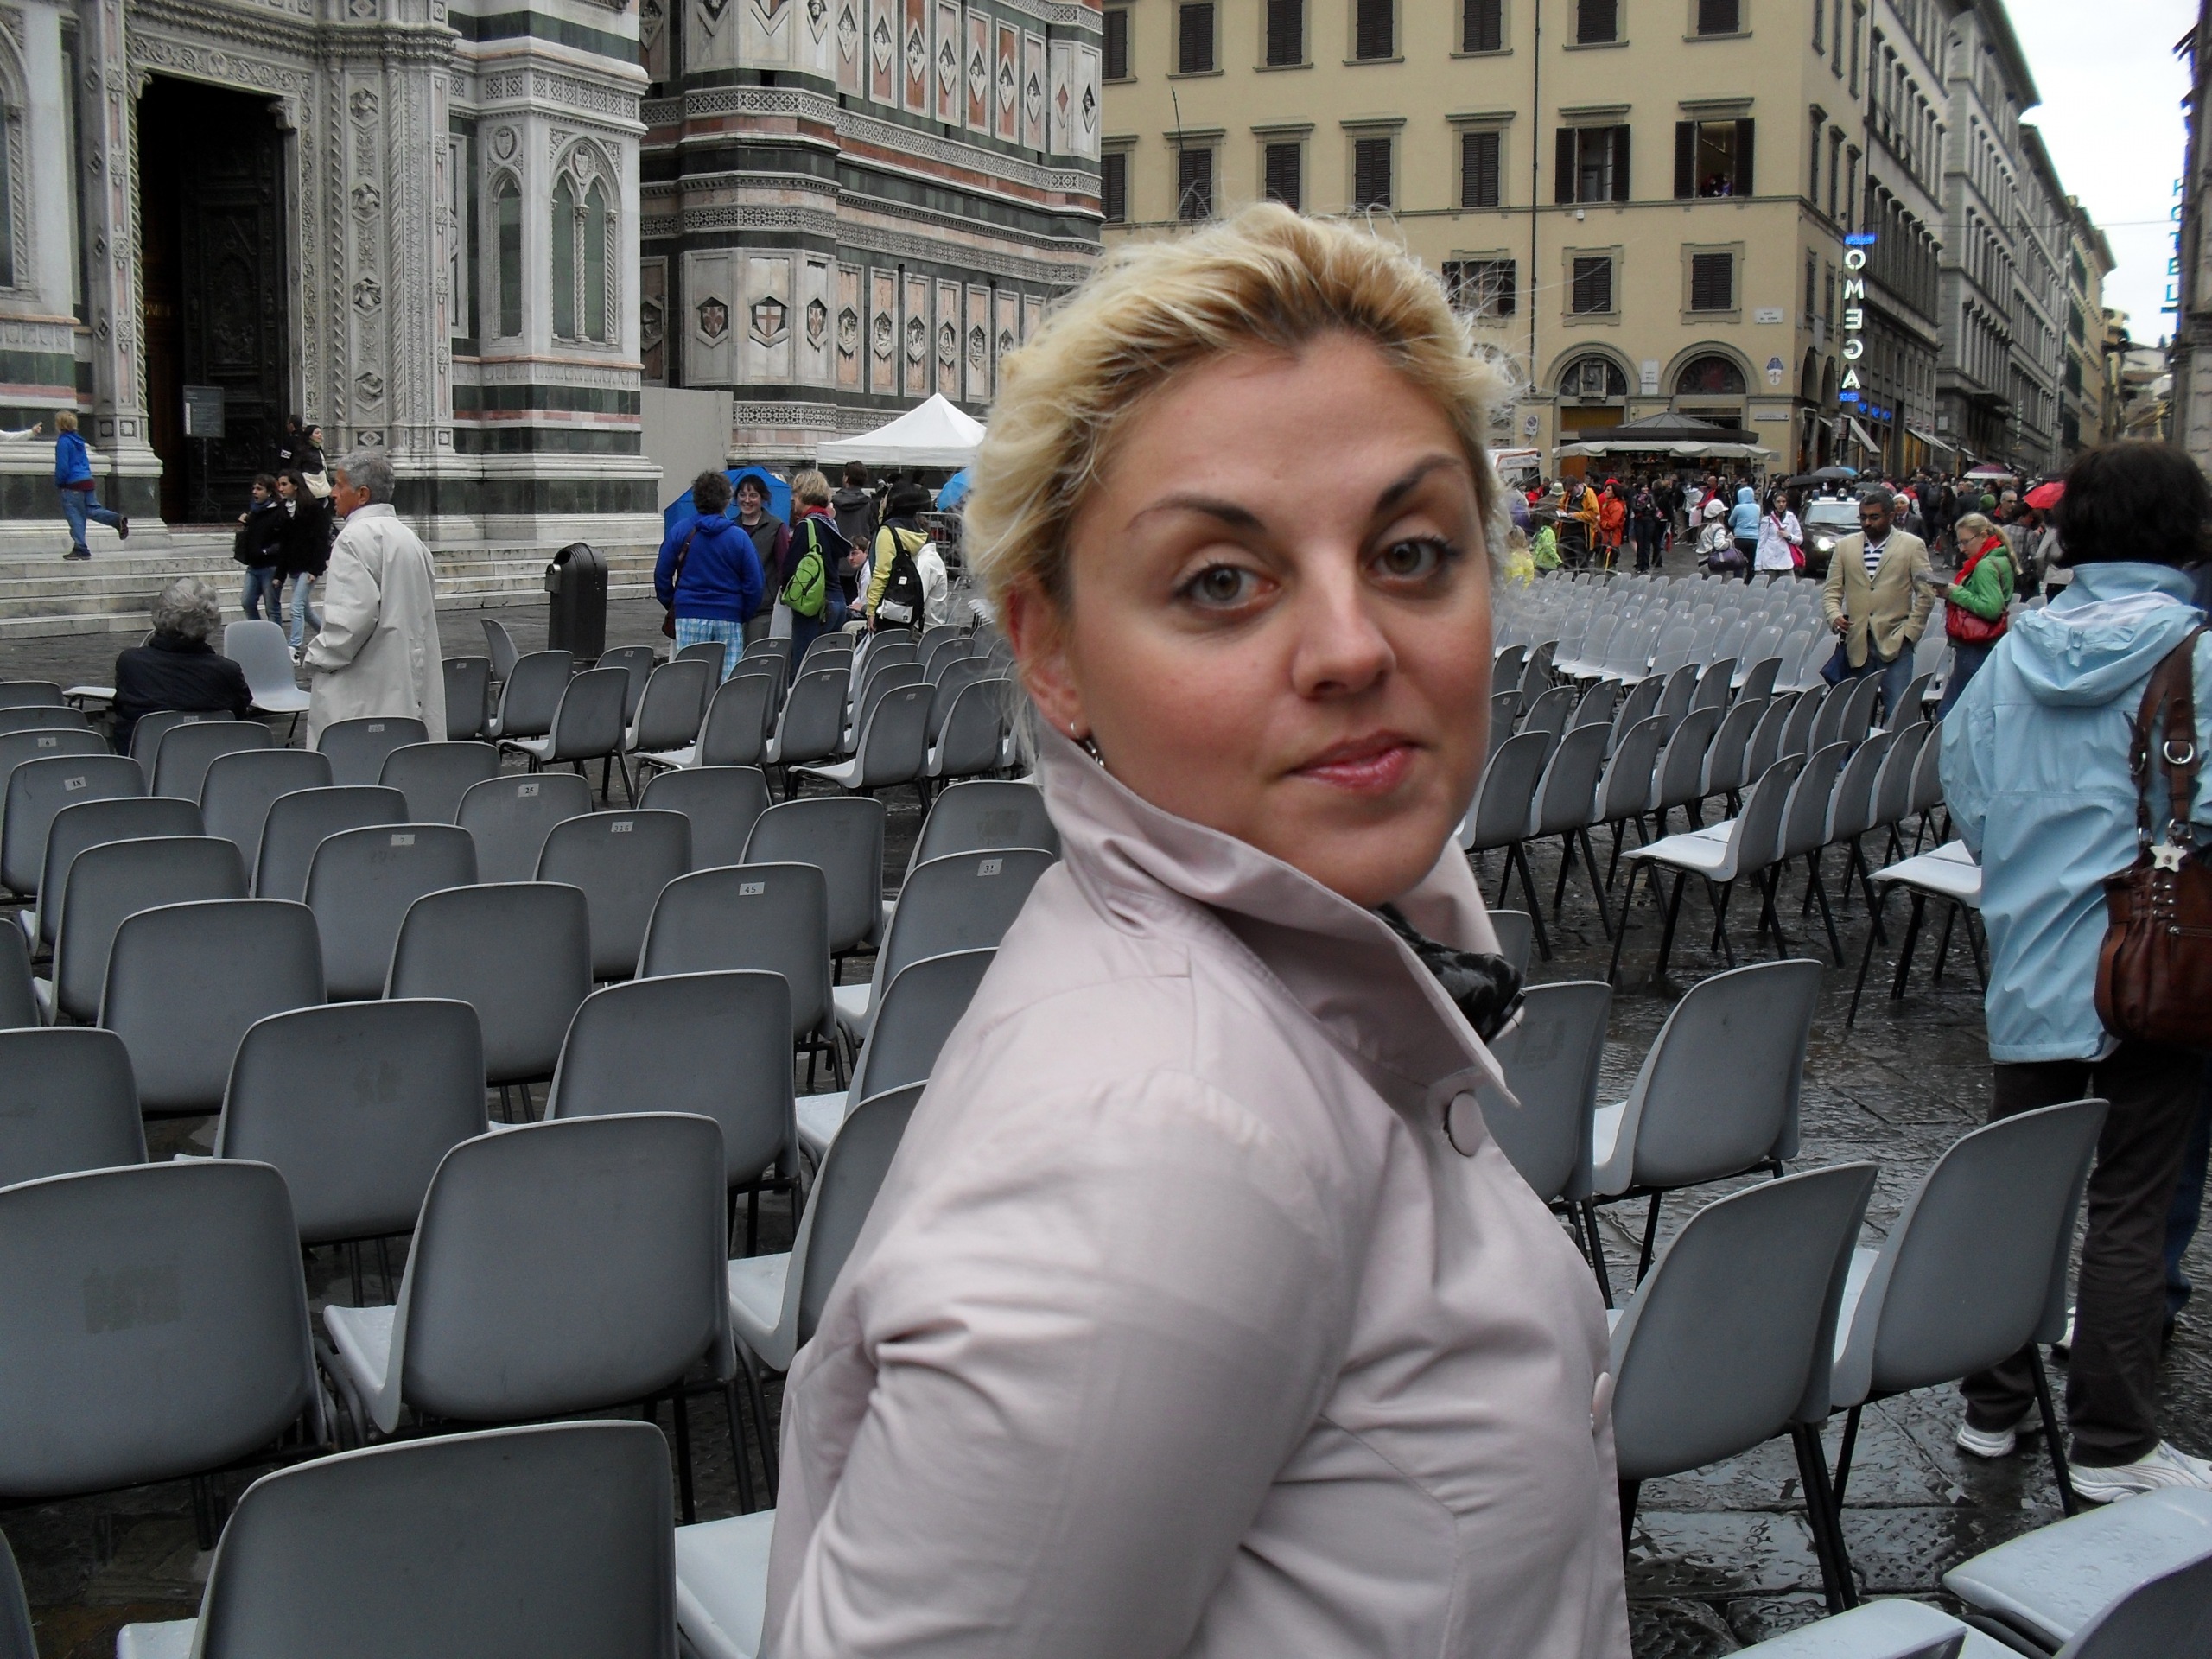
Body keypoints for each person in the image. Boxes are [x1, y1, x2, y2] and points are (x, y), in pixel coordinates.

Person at [763, 203, 1629, 1657]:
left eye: (1414, 551)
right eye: (1220, 582)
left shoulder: (1321, 995)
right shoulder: (1162, 1151)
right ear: (1052, 654)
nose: (1353, 646)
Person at [1941, 441, 2212, 1502]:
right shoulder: (2195, 654)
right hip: (2154, 974)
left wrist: (2035, 870)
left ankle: (1991, 1409)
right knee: (2131, 1204)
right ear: (2187, 537)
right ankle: (2111, 1443)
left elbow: (1967, 793)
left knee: (2020, 1196)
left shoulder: (2017, 650)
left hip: (2030, 964)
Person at [302, 450, 446, 745]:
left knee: (358, 759)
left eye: (339, 484)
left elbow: (349, 623)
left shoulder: (353, 538)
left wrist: (317, 656)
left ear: (362, 494)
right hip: (405, 674)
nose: (332, 493)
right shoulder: (410, 539)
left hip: (364, 685)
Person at [1820, 487, 1932, 721]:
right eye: (1862, 517)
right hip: (1857, 641)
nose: (1867, 523)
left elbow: (1926, 593)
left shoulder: (1912, 545)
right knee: (1855, 714)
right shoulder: (1845, 546)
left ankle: (1896, 746)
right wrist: (1834, 615)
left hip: (1896, 641)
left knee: (1898, 713)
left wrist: (1910, 632)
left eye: (1874, 517)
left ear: (1891, 516)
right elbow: (1832, 590)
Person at [109, 576, 252, 754]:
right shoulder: (227, 671)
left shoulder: (131, 663)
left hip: (145, 764)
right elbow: (240, 714)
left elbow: (121, 708)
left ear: (161, 614)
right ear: (210, 620)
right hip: (211, 765)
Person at [655, 470, 763, 679]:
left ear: (696, 499)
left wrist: (675, 603)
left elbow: (662, 575)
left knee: (690, 680)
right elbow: (755, 584)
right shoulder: (739, 537)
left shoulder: (680, 531)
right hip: (728, 615)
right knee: (726, 681)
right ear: (726, 501)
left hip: (689, 613)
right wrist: (741, 612)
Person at [1935, 512, 2011, 720]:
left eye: (1966, 542)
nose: (1962, 548)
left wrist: (1953, 592)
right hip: (1985, 644)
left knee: (1950, 712)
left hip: (1976, 644)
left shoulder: (1985, 566)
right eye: (1959, 543)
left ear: (1984, 536)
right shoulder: (1999, 559)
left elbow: (1992, 609)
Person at [780, 469, 851, 659]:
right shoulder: (830, 523)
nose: (793, 499)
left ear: (805, 493)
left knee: (804, 664)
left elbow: (790, 569)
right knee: (825, 665)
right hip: (838, 602)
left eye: (795, 493)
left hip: (816, 605)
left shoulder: (807, 525)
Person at [52, 410, 128, 561]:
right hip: (87, 480)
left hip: (72, 483)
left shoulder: (63, 442)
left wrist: (59, 482)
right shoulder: (79, 441)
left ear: (60, 425)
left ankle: (81, 548)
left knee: (75, 515)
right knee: (92, 510)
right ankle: (116, 520)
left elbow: (62, 466)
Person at [730, 470, 791, 642]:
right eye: (742, 495)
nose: (747, 500)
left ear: (762, 498)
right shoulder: (730, 527)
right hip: (734, 606)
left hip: (763, 609)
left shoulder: (776, 527)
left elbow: (783, 567)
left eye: (753, 495)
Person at [864, 480, 935, 628]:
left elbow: (881, 573)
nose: (883, 499)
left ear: (894, 502)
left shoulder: (888, 531)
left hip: (886, 606)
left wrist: (871, 609)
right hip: (906, 604)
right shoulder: (916, 531)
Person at [277, 469, 328, 658]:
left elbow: (321, 540)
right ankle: (327, 636)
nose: (280, 488)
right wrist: (279, 574)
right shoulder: (284, 510)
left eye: (284, 484)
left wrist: (315, 568)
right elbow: (284, 544)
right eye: (279, 484)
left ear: (296, 485)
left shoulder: (313, 508)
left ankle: (294, 648)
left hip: (309, 566)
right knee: (305, 610)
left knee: (296, 606)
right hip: (294, 566)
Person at [233, 474, 287, 622]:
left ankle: (275, 635)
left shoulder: (279, 512)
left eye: (259, 489)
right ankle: (258, 631)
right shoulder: (254, 511)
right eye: (254, 488)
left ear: (269, 492)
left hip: (270, 566)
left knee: (272, 608)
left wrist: (266, 551)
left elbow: (284, 540)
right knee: (247, 602)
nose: (254, 492)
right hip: (253, 565)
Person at [830, 461, 875, 604]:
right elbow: (873, 532)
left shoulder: (832, 504)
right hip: (860, 565)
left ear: (846, 478)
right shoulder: (869, 504)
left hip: (836, 563)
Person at [1754, 488, 1803, 579]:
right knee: (1770, 587)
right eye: (1778, 502)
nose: (1781, 504)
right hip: (1769, 562)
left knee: (1790, 586)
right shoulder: (1767, 520)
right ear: (1774, 503)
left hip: (1786, 561)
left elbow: (1800, 540)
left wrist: (1789, 536)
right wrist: (1758, 566)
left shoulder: (1791, 517)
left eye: (1783, 502)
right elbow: (1761, 543)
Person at [1695, 496, 1739, 576]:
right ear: (1718, 514)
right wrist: (1729, 540)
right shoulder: (1718, 527)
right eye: (1722, 512)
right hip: (1714, 564)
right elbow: (1720, 545)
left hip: (1701, 563)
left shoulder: (1703, 527)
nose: (1724, 514)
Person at [1726, 484, 1759, 578]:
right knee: (1752, 561)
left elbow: (1731, 522)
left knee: (1739, 561)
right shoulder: (1757, 507)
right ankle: (1750, 579)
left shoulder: (1738, 508)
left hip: (1740, 537)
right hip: (1754, 537)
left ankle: (1738, 579)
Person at [1630, 480, 1661, 572]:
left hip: (1649, 521)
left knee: (1647, 544)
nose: (1646, 489)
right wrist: (1646, 507)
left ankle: (1646, 565)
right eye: (1644, 487)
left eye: (1647, 487)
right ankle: (1639, 564)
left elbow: (1653, 508)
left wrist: (1643, 509)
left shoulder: (1650, 497)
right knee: (1640, 544)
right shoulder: (1635, 497)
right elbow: (1635, 508)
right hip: (1639, 521)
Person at [1596, 479, 1626, 570]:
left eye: (1608, 490)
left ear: (1614, 493)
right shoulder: (1607, 503)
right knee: (1600, 563)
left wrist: (1601, 522)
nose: (1605, 492)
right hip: (1604, 538)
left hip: (1612, 539)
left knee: (1608, 565)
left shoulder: (1616, 506)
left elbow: (1612, 523)